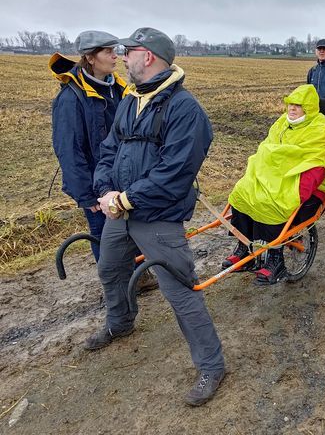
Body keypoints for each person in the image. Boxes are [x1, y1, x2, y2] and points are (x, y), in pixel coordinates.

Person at [92, 27, 224, 407]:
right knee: (110, 268)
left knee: (179, 291)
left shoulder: (185, 109)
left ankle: (211, 366)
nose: (122, 57)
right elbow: (108, 150)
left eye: (127, 51)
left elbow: (176, 171)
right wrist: (106, 192)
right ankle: (120, 324)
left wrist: (129, 199)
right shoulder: (130, 100)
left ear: (147, 56)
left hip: (158, 216)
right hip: (121, 211)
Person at [224, 84, 325, 283]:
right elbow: (266, 148)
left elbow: (317, 161)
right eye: (290, 104)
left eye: (298, 106)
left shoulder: (320, 127)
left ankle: (275, 260)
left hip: (295, 176)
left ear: (308, 108)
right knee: (241, 193)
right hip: (272, 174)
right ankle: (244, 247)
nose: (292, 109)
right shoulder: (282, 122)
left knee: (275, 202)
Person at [50, 31, 127, 262]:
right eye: (108, 51)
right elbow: (69, 150)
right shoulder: (71, 98)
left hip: (123, 180)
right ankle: (114, 289)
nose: (115, 56)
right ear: (90, 58)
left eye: (115, 50)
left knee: (128, 234)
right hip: (96, 186)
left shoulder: (119, 89)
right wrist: (87, 195)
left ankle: (137, 277)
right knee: (104, 236)